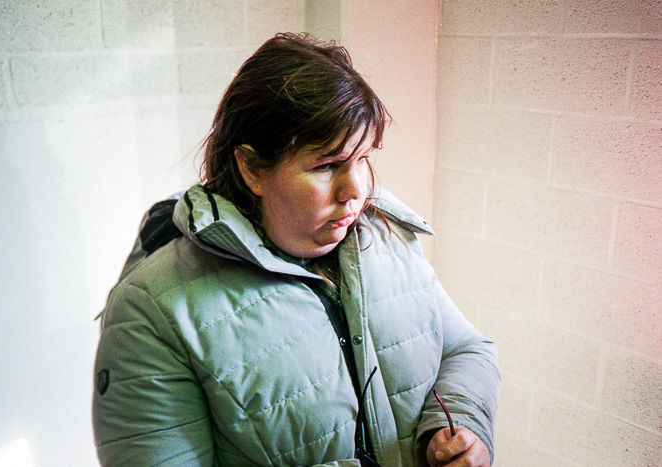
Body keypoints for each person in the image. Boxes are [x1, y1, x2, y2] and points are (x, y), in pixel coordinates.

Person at [92, 33, 499, 466]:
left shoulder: (385, 237)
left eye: (363, 158)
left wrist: (460, 429)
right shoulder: (153, 309)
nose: (356, 191)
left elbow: (465, 350)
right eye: (327, 165)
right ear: (251, 168)